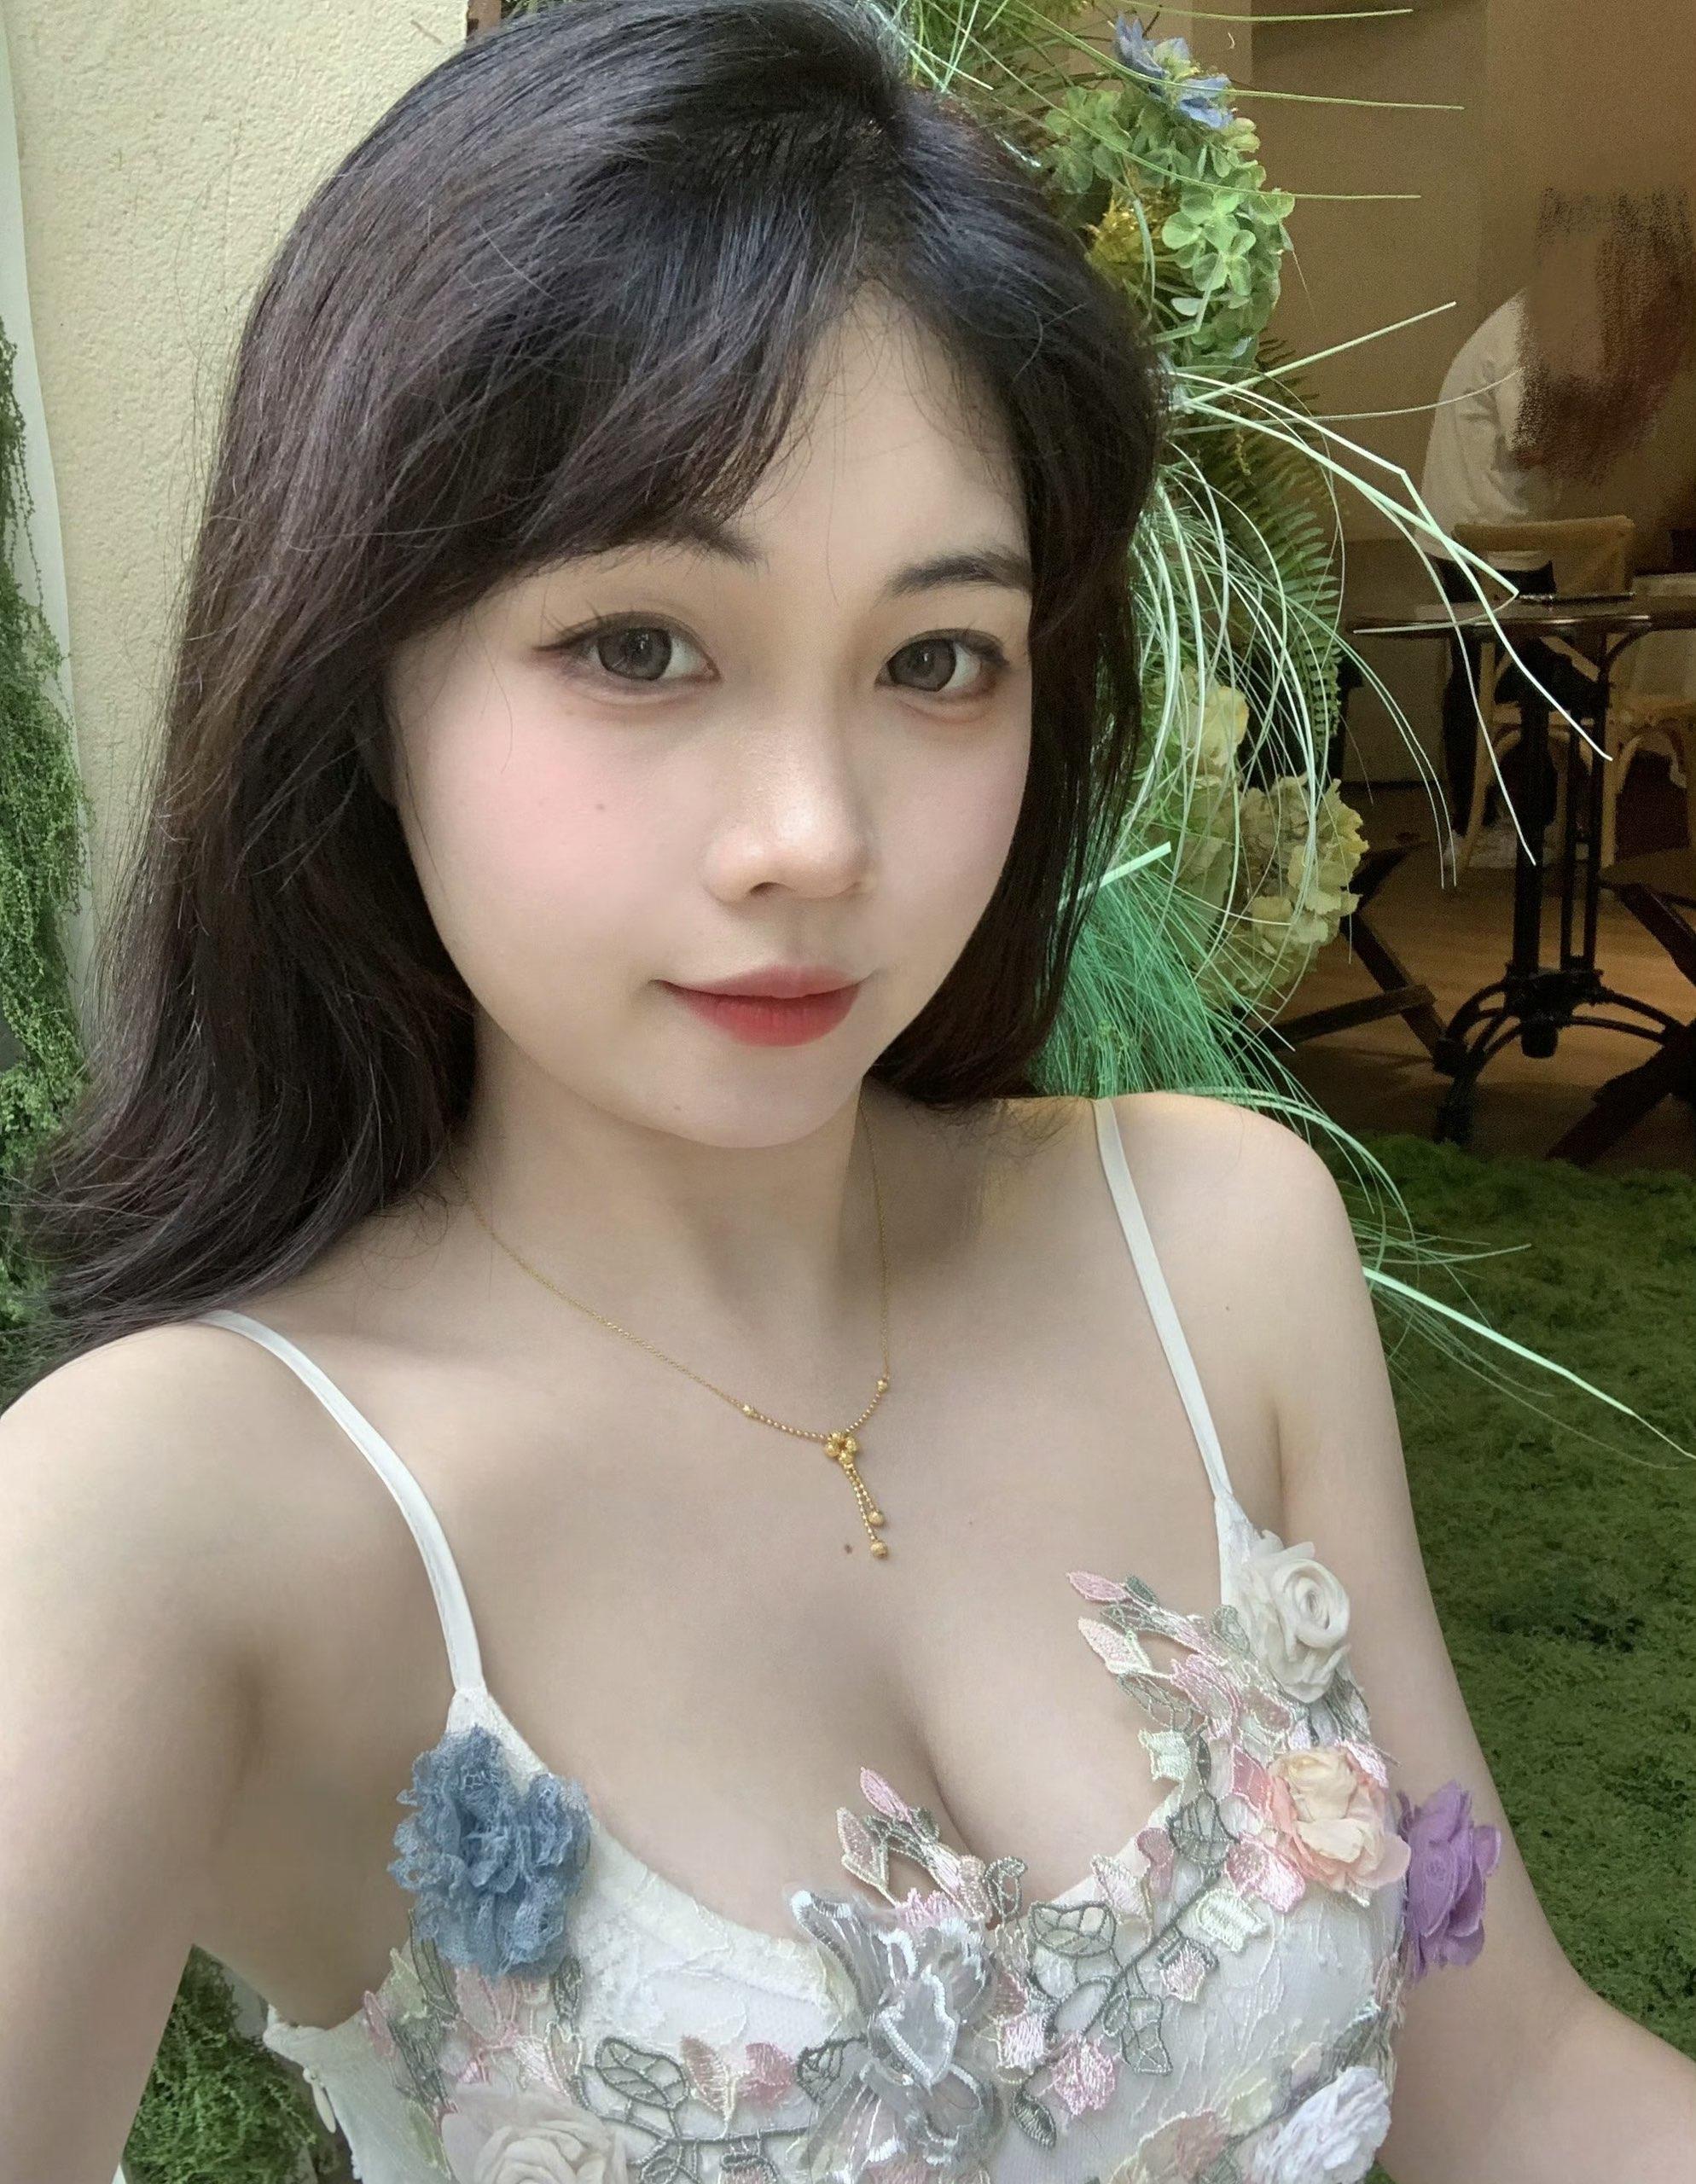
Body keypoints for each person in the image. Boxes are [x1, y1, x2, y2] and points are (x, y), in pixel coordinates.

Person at [3, 6, 1693, 2183]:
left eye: (935, 658)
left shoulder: (1216, 1242)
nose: (812, 832)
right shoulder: (175, 1510)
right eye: (638, 643)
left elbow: (1510, 2083)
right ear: (358, 672)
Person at [1419, 290, 1587, 868]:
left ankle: (1526, 824)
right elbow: (1532, 444)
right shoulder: (1524, 336)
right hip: (1480, 537)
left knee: (1524, 679)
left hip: (1507, 534)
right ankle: (1476, 830)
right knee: (1486, 680)